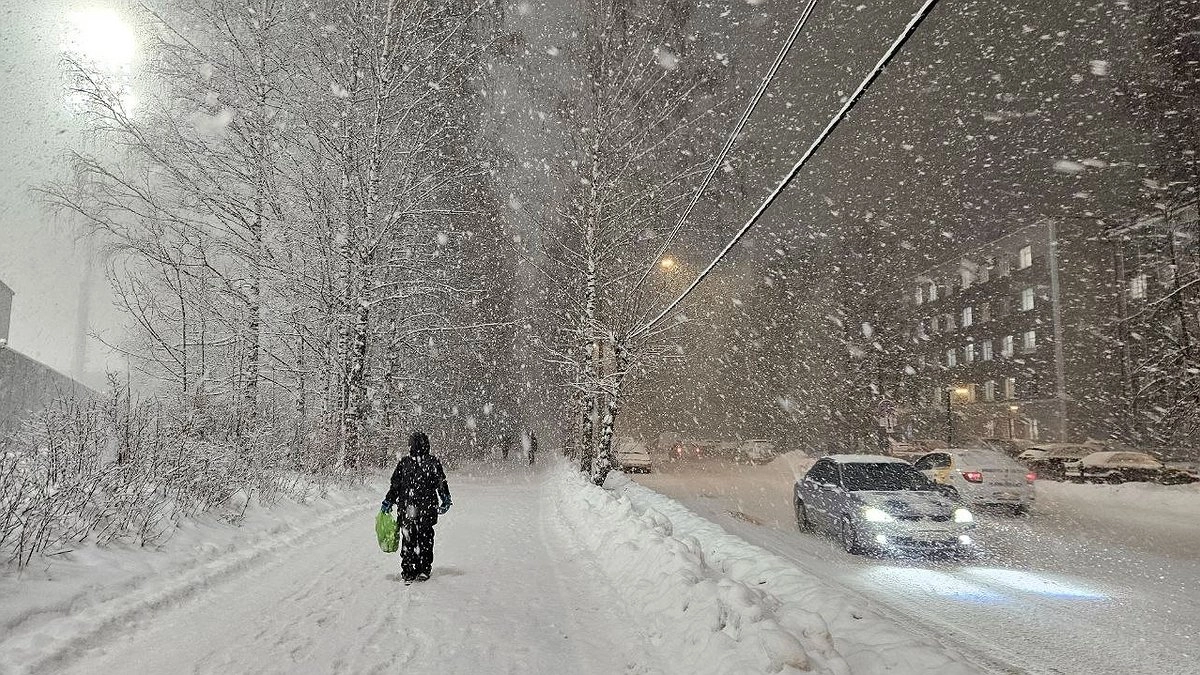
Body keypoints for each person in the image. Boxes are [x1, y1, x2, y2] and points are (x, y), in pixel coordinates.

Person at [381, 431, 452, 583]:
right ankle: (423, 569)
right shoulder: (433, 462)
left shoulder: (404, 463)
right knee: (425, 539)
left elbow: (395, 486)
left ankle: (408, 570)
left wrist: (388, 501)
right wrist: (445, 499)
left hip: (408, 508)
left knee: (408, 539)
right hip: (427, 508)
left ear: (410, 446)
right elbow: (441, 483)